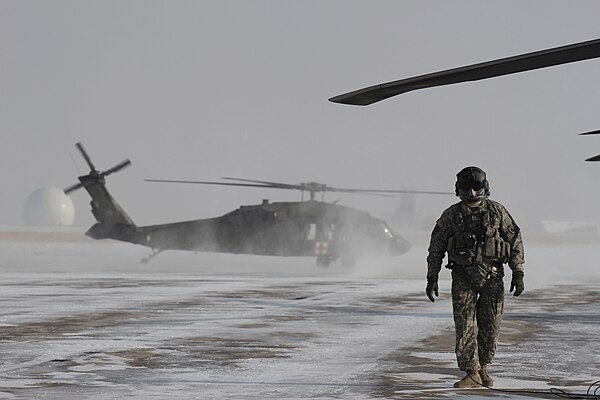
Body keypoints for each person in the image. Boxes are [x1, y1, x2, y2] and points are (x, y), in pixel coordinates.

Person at [426, 166, 524, 388]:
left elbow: (515, 240)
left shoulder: (497, 212)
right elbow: (436, 246)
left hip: (493, 277)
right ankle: (472, 372)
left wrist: (518, 272)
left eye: (476, 186)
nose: (471, 192)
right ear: (458, 189)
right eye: (466, 187)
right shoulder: (451, 215)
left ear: (485, 187)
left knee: (491, 326)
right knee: (464, 327)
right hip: (463, 278)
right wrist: (432, 276)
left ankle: (484, 368)